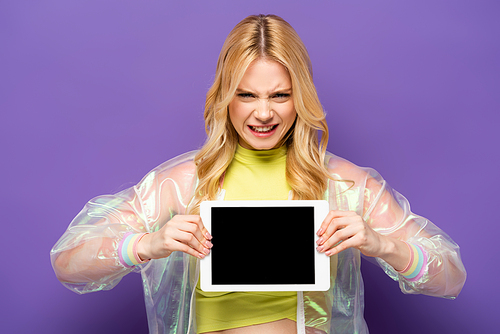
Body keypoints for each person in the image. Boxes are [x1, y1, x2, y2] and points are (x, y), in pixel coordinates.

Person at [51, 14, 466, 334]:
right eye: (246, 94)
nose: (263, 113)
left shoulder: (345, 184)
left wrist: (381, 244)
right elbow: (69, 264)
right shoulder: (184, 183)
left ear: (299, 96)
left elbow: (451, 278)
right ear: (224, 97)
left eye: (280, 95)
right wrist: (146, 243)